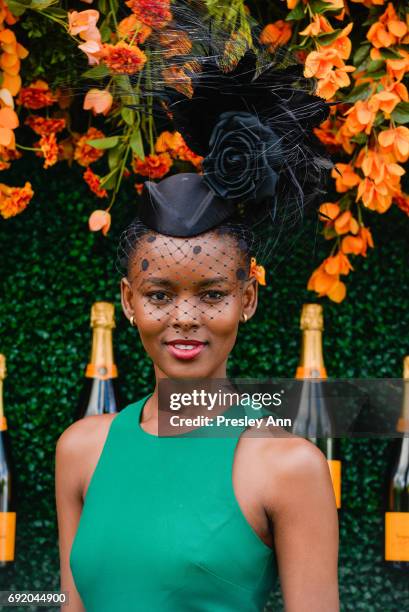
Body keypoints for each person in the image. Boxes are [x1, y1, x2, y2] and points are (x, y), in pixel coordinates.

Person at [55, 6, 339, 611]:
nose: (185, 317)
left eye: (211, 294)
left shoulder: (290, 466)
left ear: (247, 299)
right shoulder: (81, 450)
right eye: (160, 295)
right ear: (129, 304)